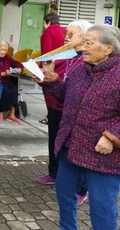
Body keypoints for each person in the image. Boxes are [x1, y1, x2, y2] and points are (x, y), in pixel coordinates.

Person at [41, 25, 120, 230]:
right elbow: (65, 96)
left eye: (89, 43)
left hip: (102, 155)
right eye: (83, 42)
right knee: (64, 194)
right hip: (72, 146)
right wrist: (52, 80)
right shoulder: (81, 69)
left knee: (102, 207)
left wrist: (112, 136)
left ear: (108, 48)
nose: (82, 47)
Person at [36, 19, 92, 204]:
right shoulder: (67, 54)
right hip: (58, 106)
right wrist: (46, 78)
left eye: (70, 34)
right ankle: (55, 174)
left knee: (77, 149)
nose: (66, 37)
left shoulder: (88, 59)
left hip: (78, 113)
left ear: (84, 37)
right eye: (66, 34)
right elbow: (59, 80)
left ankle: (81, 189)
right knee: (56, 143)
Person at [38, 12, 67, 126]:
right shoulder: (65, 31)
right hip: (64, 67)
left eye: (44, 24)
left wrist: (42, 69)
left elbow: (46, 52)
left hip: (52, 67)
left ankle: (50, 116)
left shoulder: (48, 32)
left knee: (49, 93)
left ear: (48, 22)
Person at [0, 41, 23, 124]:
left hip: (6, 79)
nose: (3, 52)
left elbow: (17, 63)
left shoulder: (7, 57)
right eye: (2, 50)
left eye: (5, 50)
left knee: (14, 89)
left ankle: (11, 115)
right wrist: (3, 73)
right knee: (5, 90)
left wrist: (19, 68)